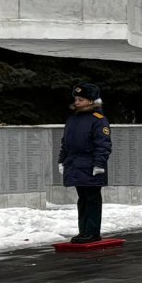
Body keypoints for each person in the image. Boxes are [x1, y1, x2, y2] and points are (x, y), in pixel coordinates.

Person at [59, 81, 112, 243]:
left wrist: (99, 164)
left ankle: (93, 232)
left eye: (80, 99)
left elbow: (103, 144)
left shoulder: (98, 120)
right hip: (75, 165)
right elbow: (65, 142)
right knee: (82, 199)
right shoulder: (73, 118)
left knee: (92, 199)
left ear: (90, 101)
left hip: (90, 165)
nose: (77, 102)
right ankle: (83, 231)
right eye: (76, 99)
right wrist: (62, 160)